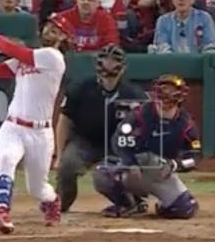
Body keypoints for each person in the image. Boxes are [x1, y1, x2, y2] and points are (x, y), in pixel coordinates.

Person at [0, 15, 72, 233]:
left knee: (37, 189)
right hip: (13, 126)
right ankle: (2, 211)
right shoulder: (29, 58)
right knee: (7, 159)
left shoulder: (53, 57)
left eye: (56, 29)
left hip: (40, 133)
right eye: (48, 26)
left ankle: (52, 201)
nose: (50, 31)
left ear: (64, 38)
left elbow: (20, 53)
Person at [92, 74, 201, 219]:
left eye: (170, 89)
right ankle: (129, 203)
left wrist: (176, 164)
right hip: (136, 168)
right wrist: (130, 163)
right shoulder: (139, 115)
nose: (166, 94)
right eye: (163, 89)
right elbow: (119, 140)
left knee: (184, 209)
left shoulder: (186, 125)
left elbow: (195, 156)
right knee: (103, 174)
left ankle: (164, 206)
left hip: (161, 172)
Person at [54, 44, 147, 214]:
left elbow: (144, 128)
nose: (109, 68)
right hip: (85, 140)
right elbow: (64, 120)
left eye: (114, 63)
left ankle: (131, 201)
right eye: (105, 62)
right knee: (68, 164)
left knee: (105, 175)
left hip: (117, 144)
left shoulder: (135, 94)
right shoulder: (80, 88)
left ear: (122, 68)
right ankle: (60, 202)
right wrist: (59, 155)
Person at [150, 0, 215, 53]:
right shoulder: (163, 21)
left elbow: (210, 46)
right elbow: (162, 47)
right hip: (171, 63)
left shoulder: (205, 18)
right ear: (173, 0)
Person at [56, 0, 120, 52]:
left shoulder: (107, 19)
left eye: (90, 0)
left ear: (98, 4)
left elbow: (112, 45)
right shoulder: (62, 18)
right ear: (77, 1)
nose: (85, 2)